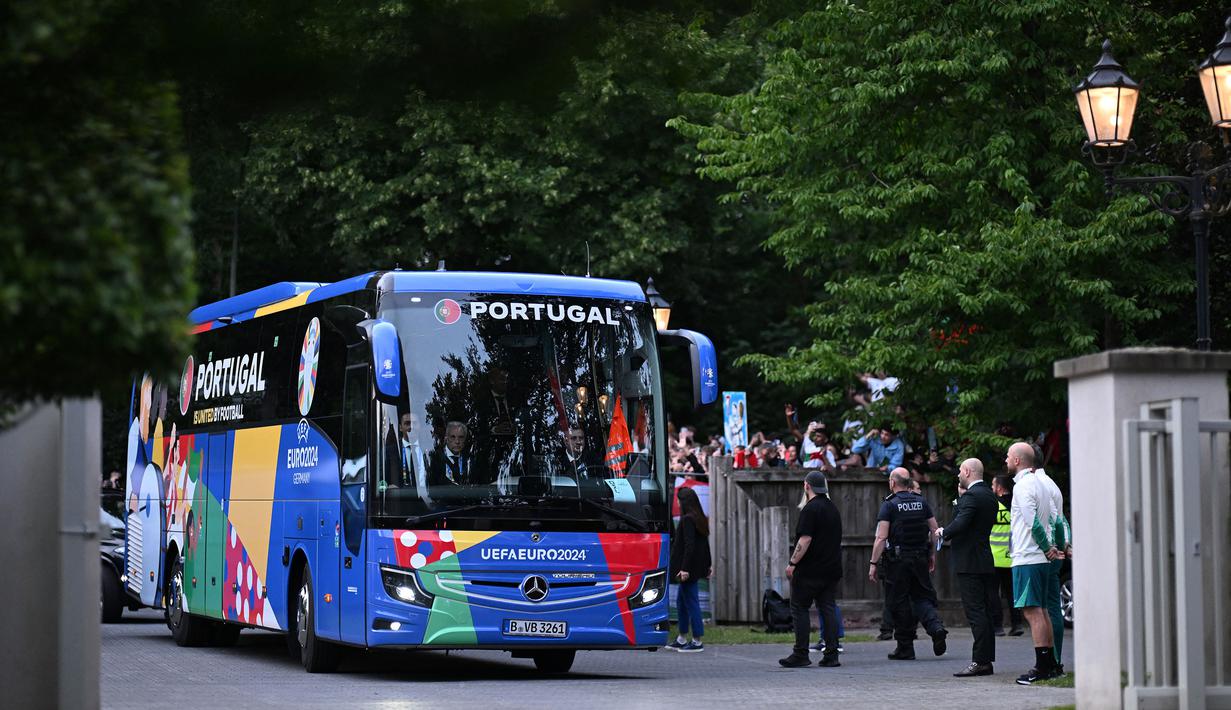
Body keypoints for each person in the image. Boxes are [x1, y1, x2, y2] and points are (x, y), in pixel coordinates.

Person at [869, 468, 947, 661]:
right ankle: (936, 628)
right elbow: (935, 530)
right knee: (922, 597)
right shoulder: (922, 502)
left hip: (898, 561)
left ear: (893, 483)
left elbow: (881, 537)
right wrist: (932, 555)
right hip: (920, 558)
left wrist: (873, 563)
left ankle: (905, 647)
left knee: (898, 602)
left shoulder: (889, 505)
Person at [1005, 442, 1064, 684]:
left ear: (1018, 460)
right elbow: (1056, 520)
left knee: (1032, 611)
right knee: (1041, 610)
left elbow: (1033, 524)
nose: (1005, 459)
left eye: (1008, 456)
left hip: (1028, 557)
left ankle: (1041, 667)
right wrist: (1055, 546)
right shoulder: (1040, 483)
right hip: (1038, 557)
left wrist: (1048, 548)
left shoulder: (1022, 487)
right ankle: (1049, 664)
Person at [938, 458, 998, 677]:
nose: (958, 475)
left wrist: (943, 532)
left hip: (970, 562)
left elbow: (961, 523)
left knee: (976, 612)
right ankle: (986, 660)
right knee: (985, 612)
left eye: (960, 471)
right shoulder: (989, 495)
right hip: (983, 559)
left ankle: (980, 662)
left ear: (968, 471)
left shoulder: (972, 496)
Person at [779, 471, 843, 668]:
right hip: (831, 568)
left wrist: (793, 563)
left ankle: (801, 653)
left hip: (810, 570)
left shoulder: (810, 509)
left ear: (807, 486)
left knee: (799, 608)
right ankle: (832, 654)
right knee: (828, 608)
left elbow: (805, 539)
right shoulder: (833, 508)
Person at [668, 486, 712, 653]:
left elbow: (689, 545)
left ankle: (697, 640)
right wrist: (709, 565)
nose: (678, 503)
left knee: (691, 603)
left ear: (684, 502)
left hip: (688, 570)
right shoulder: (699, 518)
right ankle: (681, 637)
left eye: (679, 500)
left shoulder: (687, 520)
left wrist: (684, 568)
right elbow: (705, 545)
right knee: (681, 602)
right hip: (697, 567)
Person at [990, 474, 1024, 637]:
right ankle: (1017, 624)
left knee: (994, 593)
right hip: (1014, 556)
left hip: (995, 556)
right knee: (1013, 593)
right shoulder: (1017, 503)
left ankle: (998, 626)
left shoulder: (994, 505)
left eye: (993, 485)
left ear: (999, 488)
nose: (991, 488)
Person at [428, 421, 473, 486]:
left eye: (461, 437)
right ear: (446, 438)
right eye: (453, 437)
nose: (457, 441)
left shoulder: (469, 459)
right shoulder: (434, 458)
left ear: (465, 439)